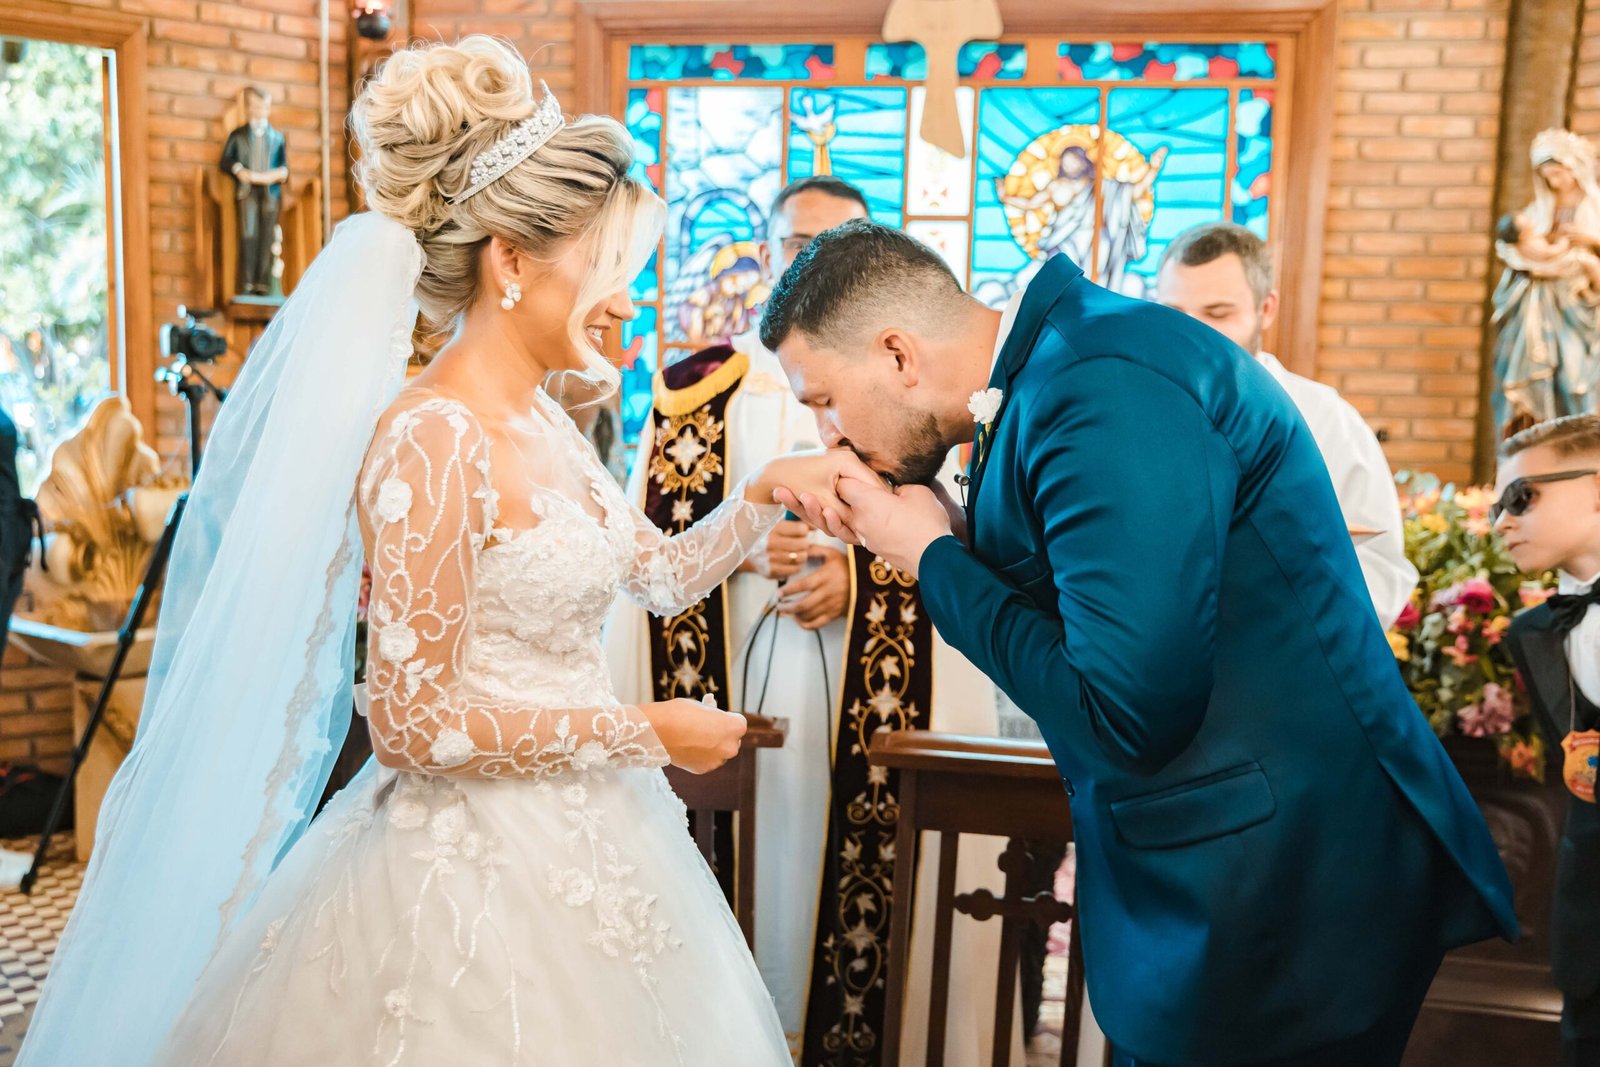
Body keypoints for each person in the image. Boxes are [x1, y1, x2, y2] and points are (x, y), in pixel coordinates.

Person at [19, 37, 859, 1066]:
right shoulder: (432, 437)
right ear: (511, 261)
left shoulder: (544, 421)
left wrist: (761, 493)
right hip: (464, 875)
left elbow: (657, 574)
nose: (625, 300)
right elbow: (412, 725)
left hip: (600, 834)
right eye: (606, 269)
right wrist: (645, 729)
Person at [763, 220, 1517, 1066]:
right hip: (1229, 869)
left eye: (822, 400)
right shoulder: (1055, 371)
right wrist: (950, 532)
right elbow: (1097, 587)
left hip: (1281, 892)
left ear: (899, 353)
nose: (828, 435)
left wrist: (934, 558)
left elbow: (1127, 711)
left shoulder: (1101, 386)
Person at [605, 174, 1012, 1065]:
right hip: (742, 689)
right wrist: (747, 551)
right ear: (770, 254)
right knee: (754, 866)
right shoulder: (694, 394)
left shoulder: (907, 390)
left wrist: (856, 577)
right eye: (797, 245)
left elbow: (954, 535)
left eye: (837, 243)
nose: (812, 260)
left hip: (861, 708)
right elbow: (650, 563)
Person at [1155, 221, 1417, 629]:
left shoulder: (1325, 420)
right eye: (1173, 314)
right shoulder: (1125, 416)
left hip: (1281, 651)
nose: (1192, 333)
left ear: (1266, 309)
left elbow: (1381, 571)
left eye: (1217, 313)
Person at [1493, 415, 1600, 1067]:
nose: (1502, 523)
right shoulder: (1531, 633)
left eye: (1521, 497)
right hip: (1590, 933)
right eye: (1497, 506)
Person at [218, 86, 289, 298]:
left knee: (267, 236)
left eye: (264, 107)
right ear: (249, 108)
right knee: (249, 234)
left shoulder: (277, 138)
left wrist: (273, 175)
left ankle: (263, 283)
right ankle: (248, 281)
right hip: (247, 192)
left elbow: (284, 168)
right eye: (257, 106)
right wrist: (239, 170)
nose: (260, 111)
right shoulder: (238, 135)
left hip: (269, 194)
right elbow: (225, 160)